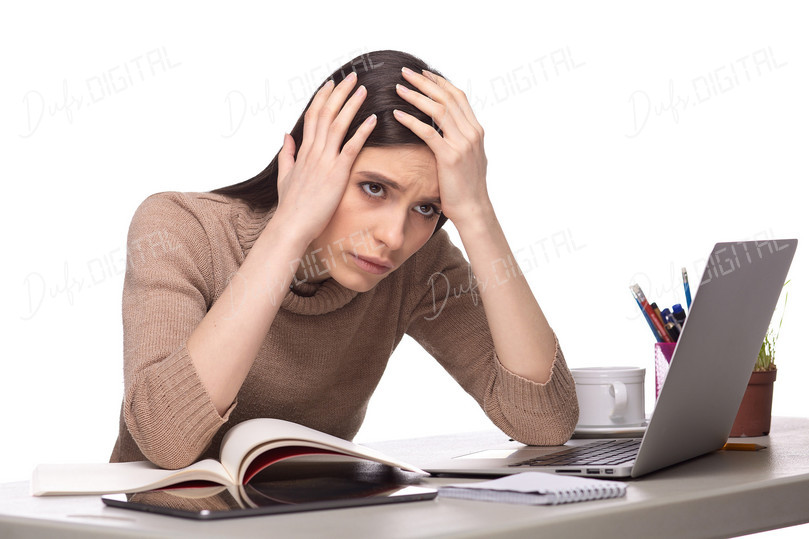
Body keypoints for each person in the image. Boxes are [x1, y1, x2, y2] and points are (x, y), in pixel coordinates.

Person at [110, 49, 579, 470]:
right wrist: (290, 228)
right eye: (374, 188)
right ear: (311, 162)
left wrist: (477, 215)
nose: (393, 237)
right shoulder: (179, 228)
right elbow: (164, 439)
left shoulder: (419, 265)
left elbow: (545, 423)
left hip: (312, 521)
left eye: (426, 208)